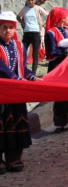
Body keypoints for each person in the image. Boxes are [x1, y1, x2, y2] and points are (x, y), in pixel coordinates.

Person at [0, 11, 39, 174]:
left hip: (16, 93)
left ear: (15, 30)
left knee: (16, 124)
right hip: (2, 93)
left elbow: (22, 67)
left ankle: (14, 159)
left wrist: (30, 76)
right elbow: (2, 69)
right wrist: (16, 78)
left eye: (11, 27)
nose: (8, 30)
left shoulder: (19, 46)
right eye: (4, 27)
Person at [17, 0, 48, 74]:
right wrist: (23, 23)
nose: (30, 1)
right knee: (22, 51)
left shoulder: (38, 8)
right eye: (28, 0)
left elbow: (48, 15)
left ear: (35, 0)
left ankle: (33, 72)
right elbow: (18, 16)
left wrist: (42, 24)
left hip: (36, 32)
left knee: (35, 53)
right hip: (27, 32)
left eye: (32, 0)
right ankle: (22, 69)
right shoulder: (25, 9)